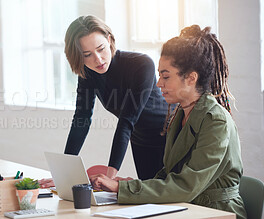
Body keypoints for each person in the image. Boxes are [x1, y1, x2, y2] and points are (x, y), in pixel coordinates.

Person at [89, 25, 247, 219]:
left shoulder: (216, 122)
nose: (158, 84)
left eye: (165, 76)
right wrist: (126, 184)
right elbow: (169, 174)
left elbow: (186, 185)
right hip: (188, 208)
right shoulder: (180, 114)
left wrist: (123, 188)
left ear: (191, 78)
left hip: (217, 213)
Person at [40, 15, 168, 188]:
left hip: (170, 137)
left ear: (109, 40)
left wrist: (110, 177)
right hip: (140, 140)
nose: (98, 60)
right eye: (87, 55)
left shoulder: (141, 64)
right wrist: (64, 174)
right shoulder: (88, 73)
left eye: (101, 49)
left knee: (174, 199)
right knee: (152, 202)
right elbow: (81, 119)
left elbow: (126, 121)